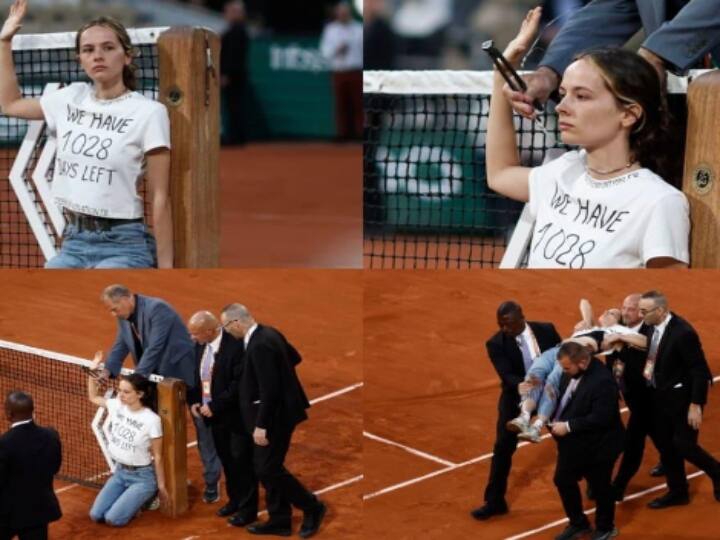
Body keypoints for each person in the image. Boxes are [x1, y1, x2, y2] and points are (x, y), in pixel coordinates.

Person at [486, 7, 689, 269]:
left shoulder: (659, 202)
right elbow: (499, 173)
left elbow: (668, 301)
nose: (561, 106)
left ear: (628, 114)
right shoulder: (563, 170)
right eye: (563, 93)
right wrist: (501, 74)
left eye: (581, 96)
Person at [0, 0, 173, 269]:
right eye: (88, 50)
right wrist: (4, 42)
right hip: (74, 241)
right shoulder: (70, 97)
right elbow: (10, 104)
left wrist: (166, 270)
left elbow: (160, 197)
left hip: (124, 244)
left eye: (108, 48)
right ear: (80, 59)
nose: (97, 55)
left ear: (127, 56)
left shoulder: (149, 112)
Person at [221, 304, 326, 538]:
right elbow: (294, 357)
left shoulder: (259, 345)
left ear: (236, 323)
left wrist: (262, 425)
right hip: (280, 412)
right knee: (267, 467)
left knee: (267, 469)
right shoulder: (269, 333)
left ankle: (312, 507)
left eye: (226, 326)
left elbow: (270, 390)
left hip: (275, 419)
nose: (227, 332)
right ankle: (279, 520)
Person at [508, 299, 646, 443]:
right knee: (533, 376)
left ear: (618, 321)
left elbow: (644, 341)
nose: (606, 312)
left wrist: (620, 336)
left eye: (612, 313)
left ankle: (536, 427)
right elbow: (584, 302)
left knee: (551, 384)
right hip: (555, 350)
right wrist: (587, 321)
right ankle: (524, 416)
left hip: (569, 357)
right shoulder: (592, 327)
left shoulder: (616, 331)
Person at [471, 301, 561, 520]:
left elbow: (561, 358)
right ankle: (494, 502)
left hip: (549, 394)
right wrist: (518, 384)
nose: (504, 328)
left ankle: (595, 485)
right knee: (502, 448)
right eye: (500, 324)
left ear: (522, 317)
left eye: (508, 324)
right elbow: (505, 373)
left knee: (567, 438)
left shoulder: (546, 330)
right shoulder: (496, 343)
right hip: (516, 399)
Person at [637, 290, 720, 509]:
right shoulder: (649, 325)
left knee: (684, 445)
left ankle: (717, 472)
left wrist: (696, 404)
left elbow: (699, 370)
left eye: (644, 311)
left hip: (681, 399)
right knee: (666, 447)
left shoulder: (683, 333)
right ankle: (678, 492)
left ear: (661, 311)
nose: (640, 315)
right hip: (657, 395)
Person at [187, 310, 259, 523]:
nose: (193, 338)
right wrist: (194, 401)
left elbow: (239, 384)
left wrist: (216, 406)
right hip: (214, 418)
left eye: (196, 333)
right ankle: (235, 501)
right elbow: (197, 376)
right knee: (227, 461)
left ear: (210, 330)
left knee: (241, 463)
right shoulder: (201, 345)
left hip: (236, 419)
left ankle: (248, 510)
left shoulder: (236, 347)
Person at [551, 341, 624, 540]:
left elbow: (602, 417)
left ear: (582, 362)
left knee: (600, 487)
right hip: (576, 443)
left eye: (567, 368)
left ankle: (605, 527)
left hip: (601, 445)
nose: (564, 372)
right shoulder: (574, 372)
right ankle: (578, 523)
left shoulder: (602, 381)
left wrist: (567, 426)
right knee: (562, 479)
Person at [87, 370, 166, 527]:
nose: (120, 395)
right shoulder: (117, 406)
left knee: (113, 519)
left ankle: (147, 497)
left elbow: (157, 456)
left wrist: (162, 486)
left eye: (126, 392)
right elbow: (93, 397)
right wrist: (91, 374)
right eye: (120, 390)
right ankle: (130, 501)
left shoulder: (152, 420)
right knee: (95, 515)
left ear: (140, 394)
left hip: (142, 478)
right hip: (120, 472)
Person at [605, 293, 664, 498]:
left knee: (633, 441)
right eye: (624, 307)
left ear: (641, 312)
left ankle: (618, 486)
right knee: (657, 432)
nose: (625, 312)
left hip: (649, 396)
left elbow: (645, 364)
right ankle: (668, 460)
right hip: (630, 394)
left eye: (630, 309)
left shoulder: (650, 330)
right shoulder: (620, 327)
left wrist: (620, 339)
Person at [0, 391, 62, 540]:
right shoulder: (51, 435)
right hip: (38, 511)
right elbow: (55, 467)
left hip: (7, 514)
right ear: (32, 411)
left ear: (9, 414)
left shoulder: (4, 443)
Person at [319, 1, 363, 141]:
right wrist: (336, 50)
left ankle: (360, 133)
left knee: (358, 104)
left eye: (345, 12)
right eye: (340, 12)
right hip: (338, 72)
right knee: (340, 105)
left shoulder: (359, 29)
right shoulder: (330, 30)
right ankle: (342, 134)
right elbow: (324, 52)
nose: (343, 15)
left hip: (356, 71)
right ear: (337, 14)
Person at [220, 0, 249, 145]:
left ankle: (236, 138)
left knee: (234, 107)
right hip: (236, 75)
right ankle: (236, 137)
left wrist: (226, 74)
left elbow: (232, 56)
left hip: (233, 76)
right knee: (234, 107)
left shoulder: (236, 31)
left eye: (229, 11)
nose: (226, 14)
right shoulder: (236, 30)